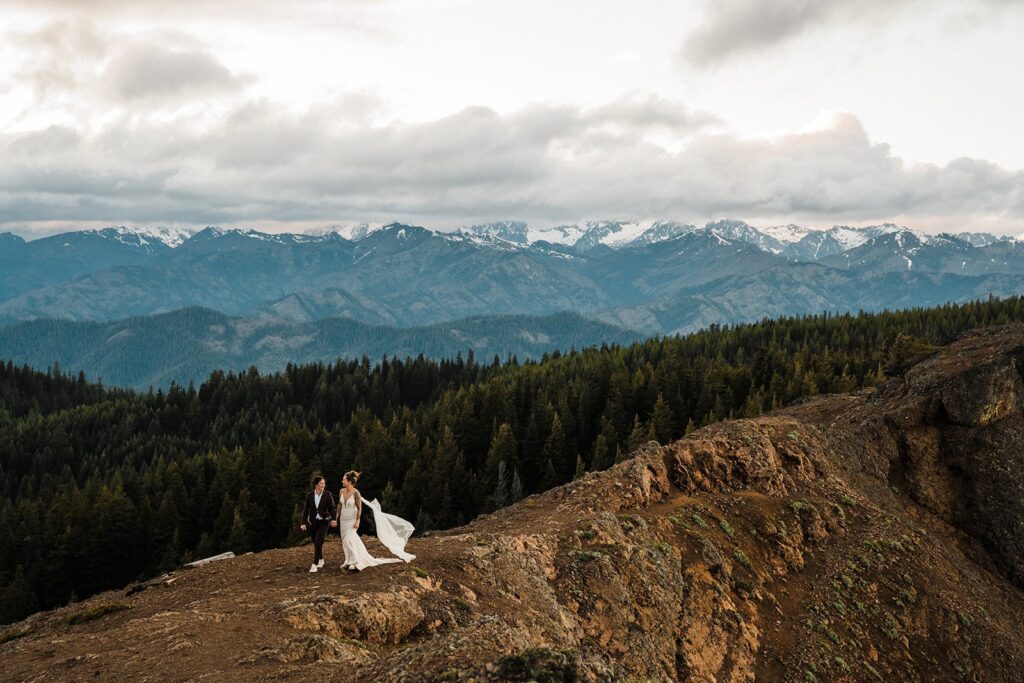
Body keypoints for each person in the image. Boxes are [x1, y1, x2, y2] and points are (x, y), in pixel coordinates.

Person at [338, 470, 416, 571]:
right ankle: (348, 560)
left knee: (349, 539)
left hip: (352, 520)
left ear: (349, 481)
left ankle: (356, 561)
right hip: (343, 520)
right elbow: (339, 505)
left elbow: (359, 508)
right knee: (346, 540)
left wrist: (357, 521)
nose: (342, 481)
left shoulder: (356, 493)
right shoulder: (341, 491)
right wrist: (336, 518)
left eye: (343, 479)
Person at [299, 475, 337, 573]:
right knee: (315, 542)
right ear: (316, 485)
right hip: (312, 522)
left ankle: (314, 564)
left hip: (324, 521)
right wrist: (303, 522)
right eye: (321, 483)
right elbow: (305, 510)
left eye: (324, 483)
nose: (323, 485)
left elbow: (332, 508)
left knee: (318, 542)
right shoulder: (309, 495)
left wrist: (333, 519)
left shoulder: (328, 494)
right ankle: (321, 559)